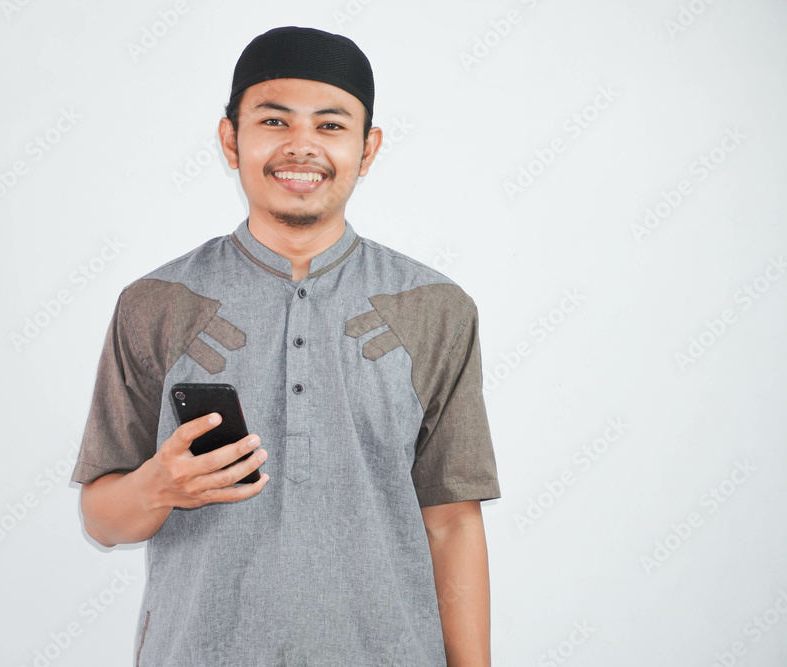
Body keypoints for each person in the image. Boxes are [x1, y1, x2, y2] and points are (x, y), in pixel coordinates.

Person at [71, 26, 501, 667]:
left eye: (331, 125)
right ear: (230, 139)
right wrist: (156, 487)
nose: (302, 146)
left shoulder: (433, 308)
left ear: (368, 148)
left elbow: (453, 522)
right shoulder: (156, 303)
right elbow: (102, 520)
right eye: (274, 121)